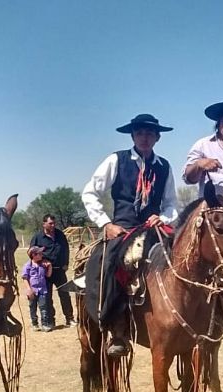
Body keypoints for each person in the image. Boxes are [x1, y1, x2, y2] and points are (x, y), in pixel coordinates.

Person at [81, 113, 178, 357]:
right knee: (109, 261)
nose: (144, 138)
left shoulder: (164, 166)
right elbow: (90, 193)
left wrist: (163, 218)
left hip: (154, 228)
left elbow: (171, 204)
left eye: (149, 134)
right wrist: (106, 223)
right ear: (133, 136)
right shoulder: (117, 160)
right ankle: (117, 325)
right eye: (140, 133)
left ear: (157, 138)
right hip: (122, 228)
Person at [30, 214, 74, 327]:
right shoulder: (37, 237)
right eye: (50, 223)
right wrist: (42, 260)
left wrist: (66, 263)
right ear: (44, 224)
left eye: (54, 223)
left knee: (65, 295)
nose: (53, 225)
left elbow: (66, 249)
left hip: (60, 270)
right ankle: (50, 320)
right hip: (45, 272)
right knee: (47, 297)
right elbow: (31, 253)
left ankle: (70, 318)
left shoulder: (60, 235)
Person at [21, 246, 53, 332]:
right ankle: (34, 324)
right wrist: (29, 289)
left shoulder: (43, 264)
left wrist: (50, 267)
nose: (42, 255)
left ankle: (45, 324)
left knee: (44, 308)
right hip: (32, 290)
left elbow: (48, 275)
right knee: (33, 307)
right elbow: (25, 278)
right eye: (40, 253)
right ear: (34, 255)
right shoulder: (27, 266)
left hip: (42, 290)